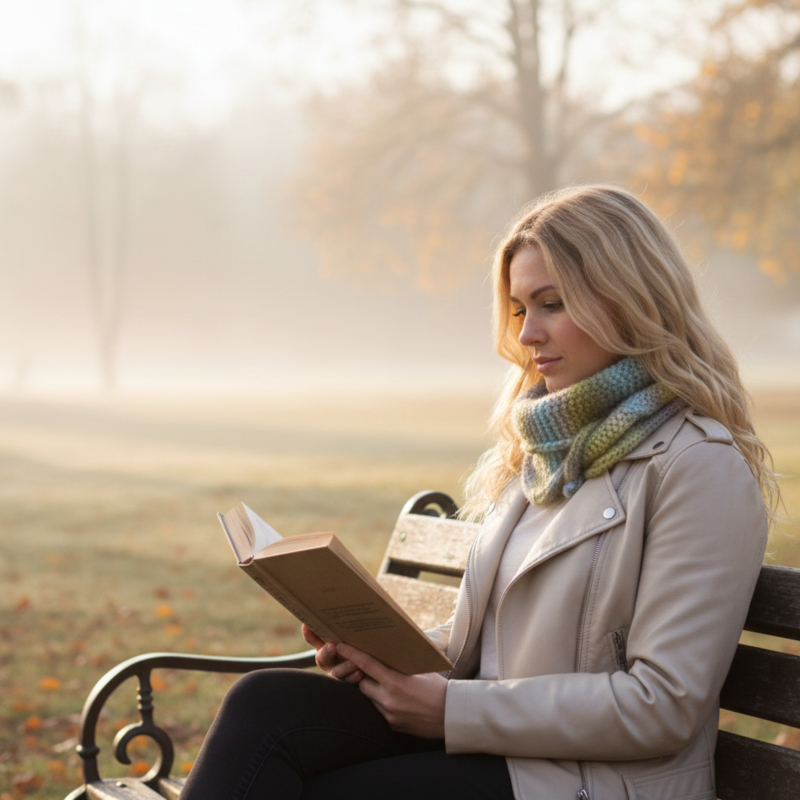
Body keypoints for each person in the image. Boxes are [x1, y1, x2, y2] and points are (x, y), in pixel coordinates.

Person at [181, 185, 777, 800]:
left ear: (629, 302)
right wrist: (378, 659)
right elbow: (488, 649)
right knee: (265, 706)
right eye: (520, 309)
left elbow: (663, 705)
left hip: (589, 782)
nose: (527, 335)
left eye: (551, 304)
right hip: (501, 747)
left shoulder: (697, 466)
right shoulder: (543, 455)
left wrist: (452, 711)